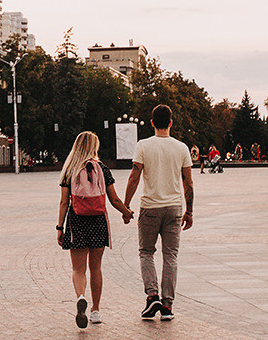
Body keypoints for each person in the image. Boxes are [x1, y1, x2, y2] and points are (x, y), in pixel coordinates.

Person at [124, 104, 194, 321]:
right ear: (171, 123)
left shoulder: (143, 145)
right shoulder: (182, 148)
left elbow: (134, 177)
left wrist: (126, 206)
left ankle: (151, 295)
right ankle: (167, 306)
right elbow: (188, 182)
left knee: (146, 252)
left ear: (152, 123)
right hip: (174, 208)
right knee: (170, 255)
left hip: (150, 208)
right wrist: (189, 211)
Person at [56, 131, 132, 328]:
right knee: (96, 267)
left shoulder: (69, 170)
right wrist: (126, 212)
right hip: (98, 221)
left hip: (77, 221)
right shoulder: (103, 169)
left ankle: (81, 296)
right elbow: (113, 199)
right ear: (93, 147)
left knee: (78, 269)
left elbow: (64, 202)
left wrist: (59, 228)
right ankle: (96, 311)